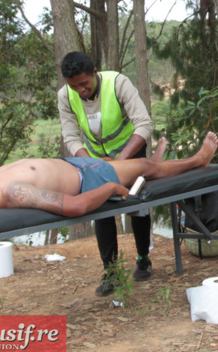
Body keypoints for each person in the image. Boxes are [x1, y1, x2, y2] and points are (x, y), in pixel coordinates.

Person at [0, 133, 217, 221]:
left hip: (72, 165)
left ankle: (155, 165)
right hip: (86, 179)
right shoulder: (14, 192)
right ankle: (198, 159)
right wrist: (109, 188)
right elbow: (74, 206)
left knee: (128, 163)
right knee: (142, 165)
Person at [58, 51, 157, 296]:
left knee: (136, 204)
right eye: (74, 86)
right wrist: (92, 166)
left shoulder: (118, 83)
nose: (80, 90)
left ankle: (143, 257)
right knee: (100, 209)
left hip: (130, 152)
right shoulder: (65, 96)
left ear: (94, 73)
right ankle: (111, 271)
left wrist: (120, 163)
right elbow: (70, 137)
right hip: (95, 159)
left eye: (85, 83)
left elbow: (144, 124)